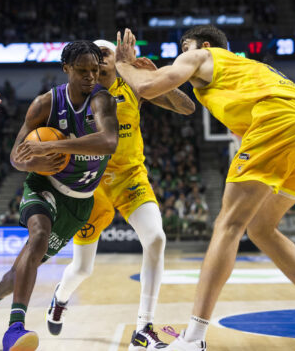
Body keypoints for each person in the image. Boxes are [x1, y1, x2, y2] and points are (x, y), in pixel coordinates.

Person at [115, 26, 295, 350]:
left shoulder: (203, 56)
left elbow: (146, 86)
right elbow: (282, 123)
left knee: (228, 225)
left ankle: (193, 339)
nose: (180, 56)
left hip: (281, 121)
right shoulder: (248, 73)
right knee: (261, 229)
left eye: (182, 49)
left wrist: (123, 64)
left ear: (202, 45)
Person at [0, 40, 119, 351]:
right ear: (66, 69)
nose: (90, 76)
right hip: (44, 185)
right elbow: (16, 158)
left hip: (79, 201)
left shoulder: (103, 101)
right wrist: (32, 161)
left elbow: (109, 141)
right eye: (83, 70)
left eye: (95, 71)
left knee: (18, 272)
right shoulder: (44, 104)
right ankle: (15, 328)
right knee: (37, 237)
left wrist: (51, 146)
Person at [45, 40, 194, 351]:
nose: (98, 60)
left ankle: (143, 328)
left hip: (130, 178)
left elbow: (186, 107)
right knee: (84, 268)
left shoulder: (133, 87)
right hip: (90, 183)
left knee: (156, 239)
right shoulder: (77, 94)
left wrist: (154, 76)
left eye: (105, 54)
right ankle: (60, 296)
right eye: (93, 57)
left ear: (116, 61)